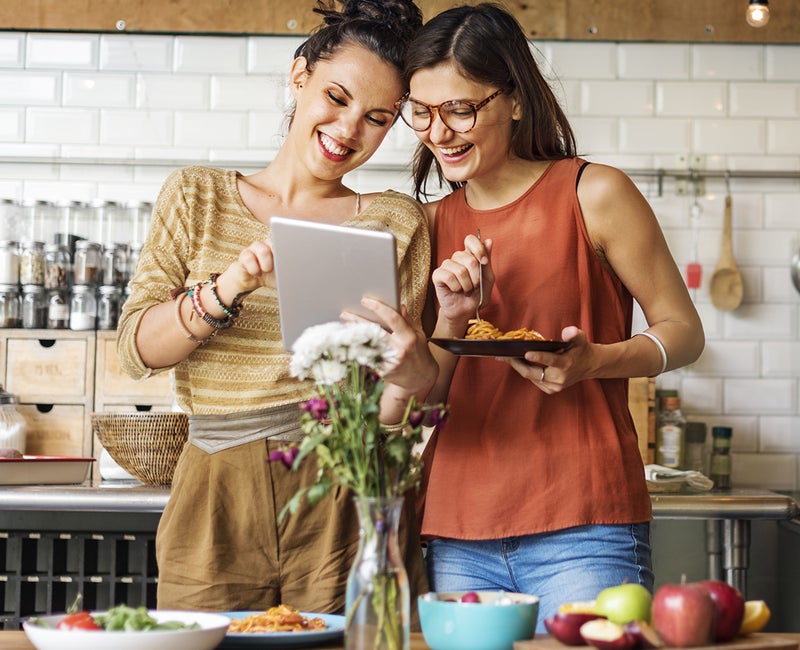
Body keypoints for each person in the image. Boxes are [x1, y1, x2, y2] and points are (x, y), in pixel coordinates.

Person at [116, 0, 437, 616]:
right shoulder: (197, 196)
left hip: (346, 483)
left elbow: (401, 398)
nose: (348, 130)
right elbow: (136, 350)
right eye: (336, 97)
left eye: (376, 117)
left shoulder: (396, 221)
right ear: (299, 76)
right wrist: (224, 288)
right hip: (215, 487)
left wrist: (412, 365)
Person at [395, 2, 705, 628]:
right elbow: (425, 404)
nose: (439, 131)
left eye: (459, 108)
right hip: (457, 526)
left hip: (585, 521)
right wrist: (451, 321)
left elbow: (684, 332)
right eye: (421, 112)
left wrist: (597, 362)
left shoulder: (594, 193)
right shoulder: (426, 225)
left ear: (512, 98)